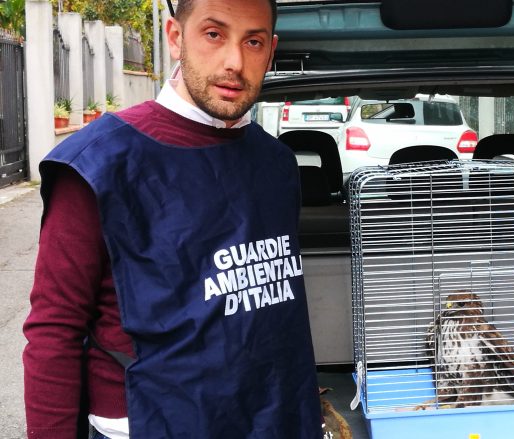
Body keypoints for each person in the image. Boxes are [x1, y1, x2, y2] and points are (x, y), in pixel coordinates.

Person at [22, 0, 322, 437]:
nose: (235, 62)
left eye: (253, 42)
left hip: (268, 416)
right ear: (176, 38)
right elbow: (54, 329)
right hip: (148, 422)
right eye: (214, 34)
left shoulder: (276, 164)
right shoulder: (100, 164)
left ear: (271, 50)